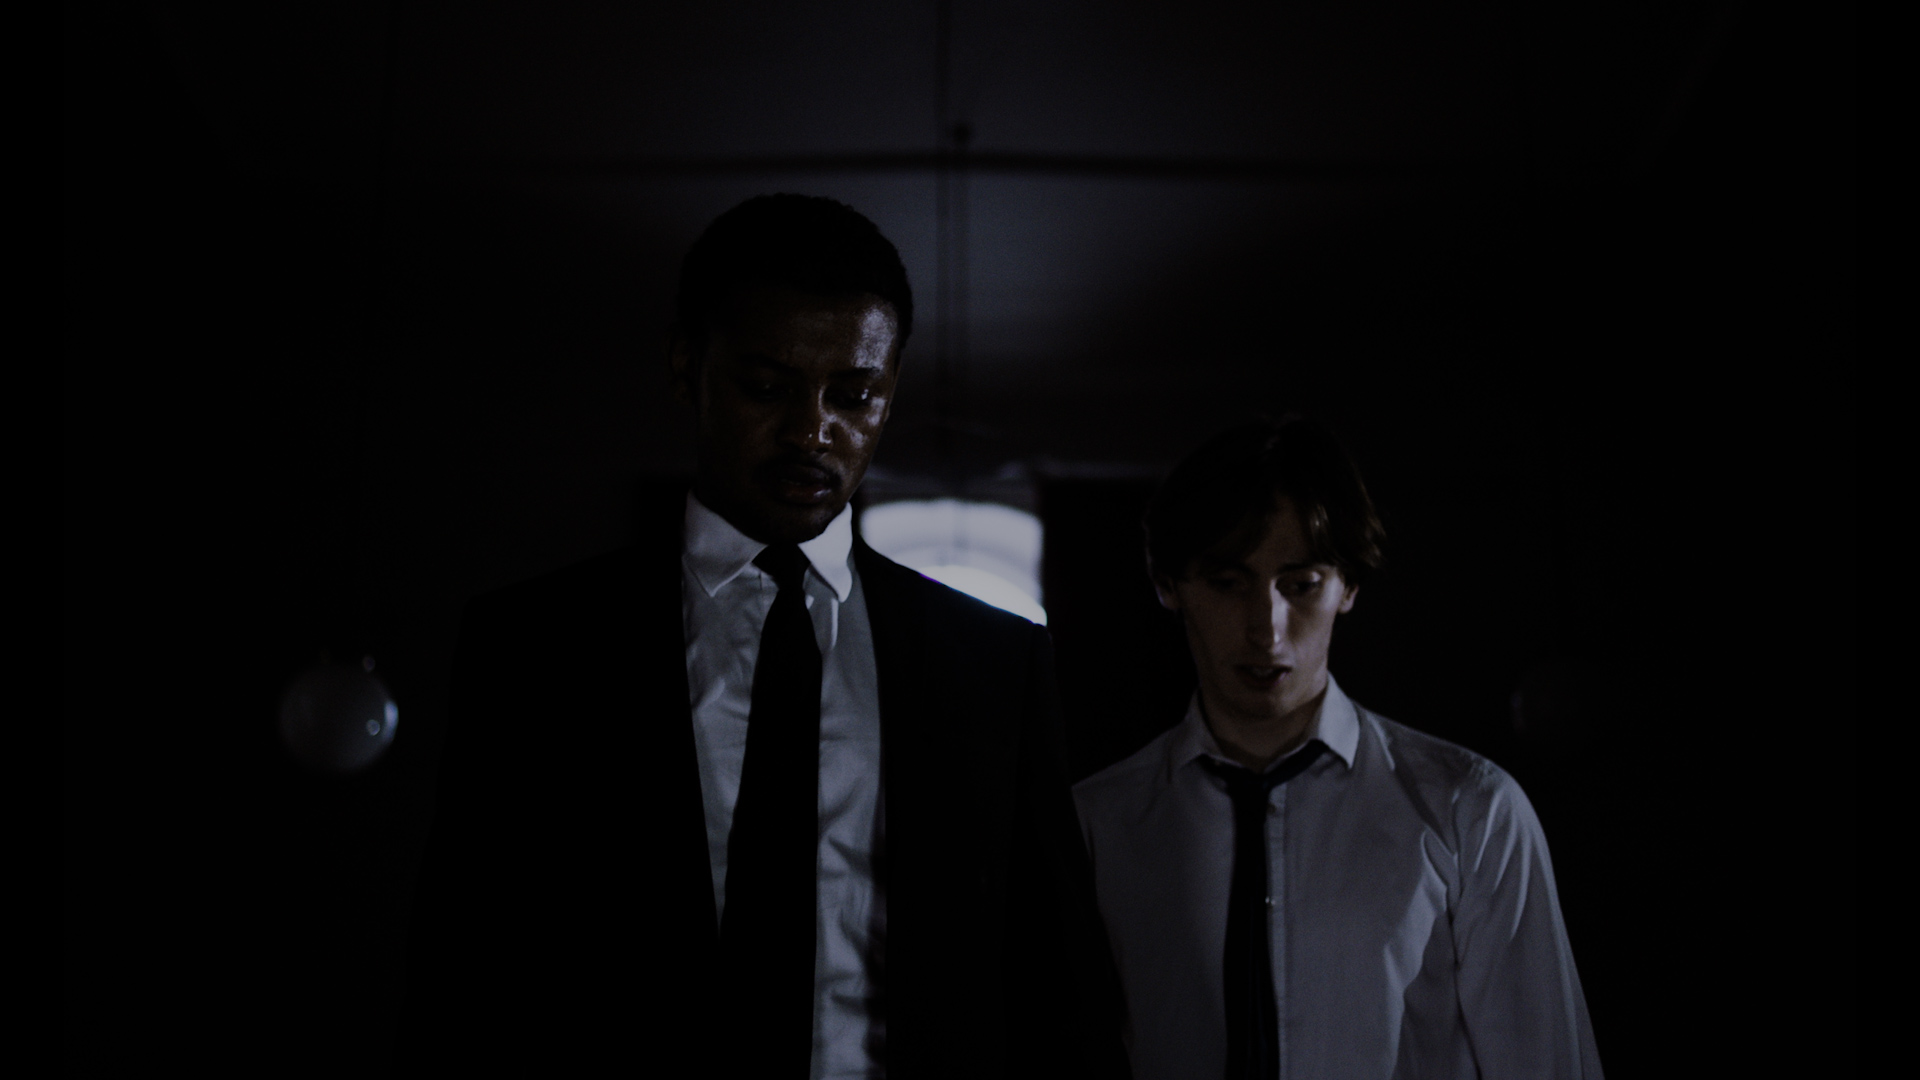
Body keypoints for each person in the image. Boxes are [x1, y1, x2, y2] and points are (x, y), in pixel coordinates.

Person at [399, 194, 1125, 1077]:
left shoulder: (993, 663)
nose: (811, 430)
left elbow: (1059, 997)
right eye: (768, 387)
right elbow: (459, 972)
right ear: (687, 366)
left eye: (853, 395)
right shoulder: (533, 649)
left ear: (892, 390)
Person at [1072, 418, 1602, 1080]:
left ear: (1347, 586)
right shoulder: (1095, 827)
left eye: (1300, 585)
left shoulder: (1470, 811)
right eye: (1229, 582)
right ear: (1168, 585)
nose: (1266, 630)